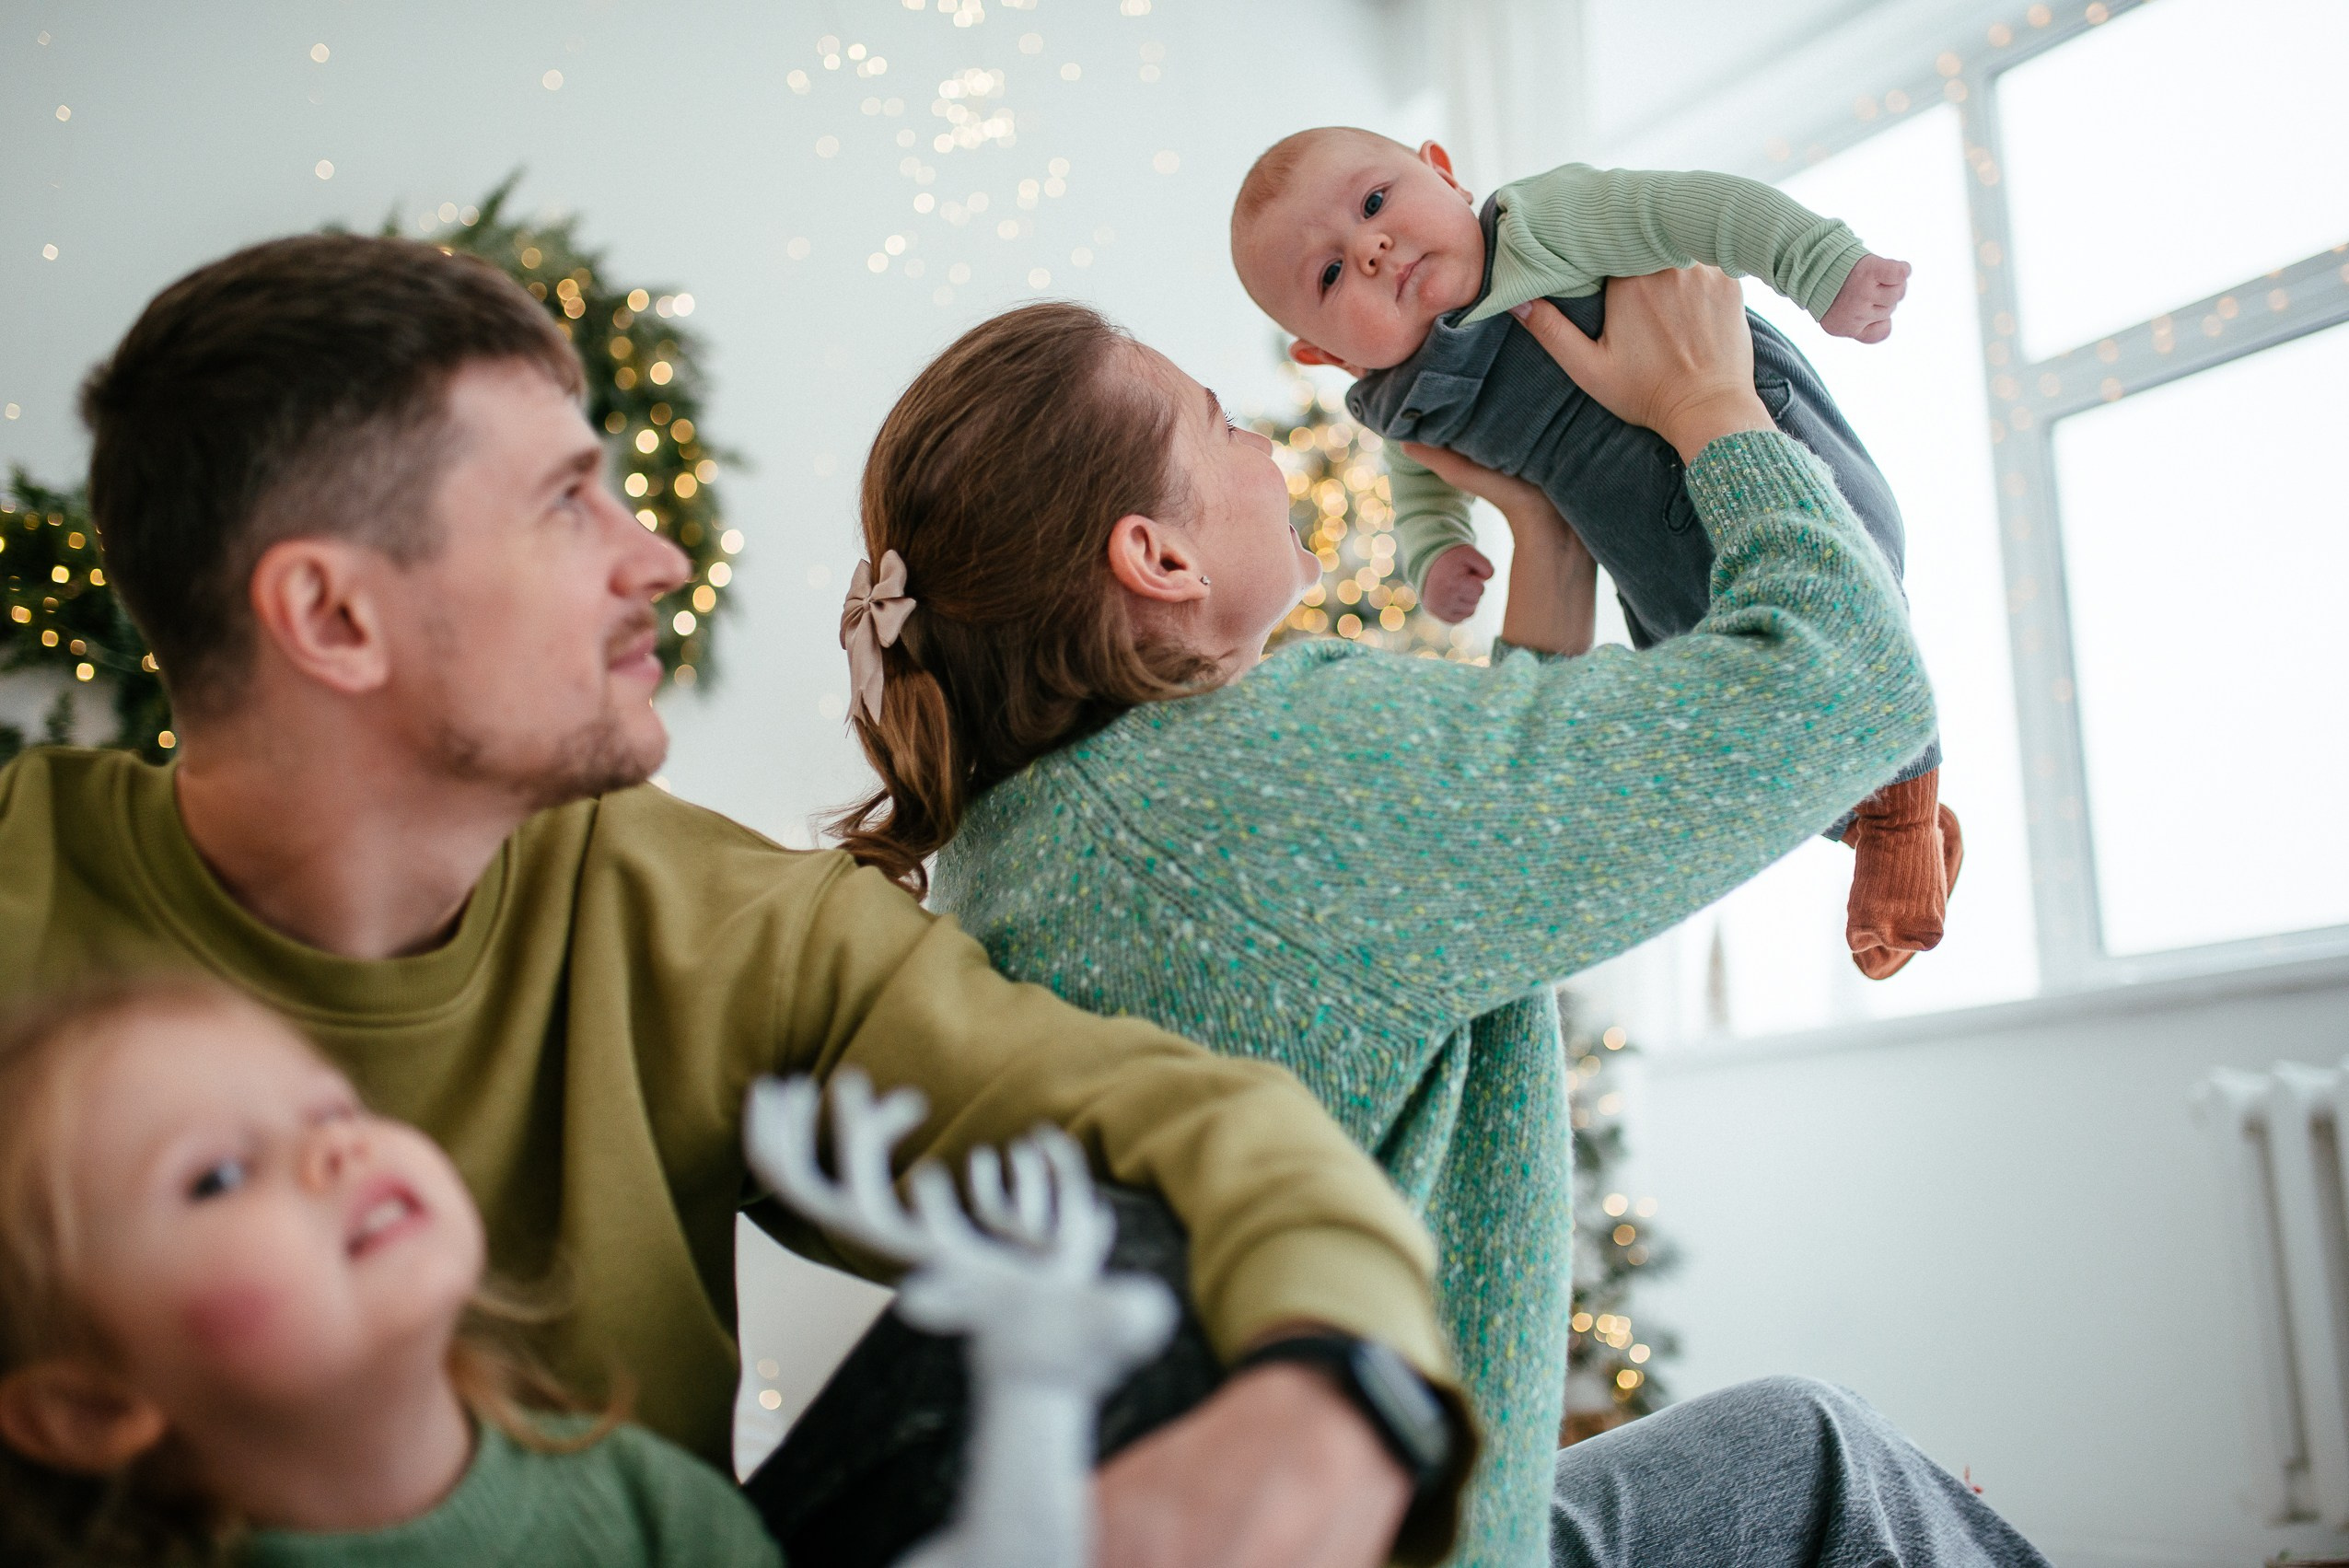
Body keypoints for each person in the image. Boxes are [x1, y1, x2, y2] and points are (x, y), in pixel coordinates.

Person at [0, 232, 1473, 1568]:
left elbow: (1190, 1122)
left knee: (1147, 1264)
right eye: (565, 503)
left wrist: (1339, 1387)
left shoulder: (705, 916)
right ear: (334, 616)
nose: (654, 558)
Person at [826, 265, 2049, 1568]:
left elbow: (1426, 892)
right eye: (1219, 424)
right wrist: (1709, 402)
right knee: (1834, 1471)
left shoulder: (1026, 838)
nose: (1258, 441)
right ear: (1156, 556)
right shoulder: (1252, 779)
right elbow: (1847, 686)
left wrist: (1546, 539)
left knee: (1807, 1449)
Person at [1228, 125, 1957, 978]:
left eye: (1375, 201)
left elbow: (1696, 210)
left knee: (1831, 595)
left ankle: (1903, 827)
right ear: (1324, 355)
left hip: (1745, 421)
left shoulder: (1541, 225)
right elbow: (1423, 494)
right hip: (1639, 546)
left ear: (1446, 175)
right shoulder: (1405, 405)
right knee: (1721, 689)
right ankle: (1871, 823)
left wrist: (1818, 266)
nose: (1371, 248)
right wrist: (1437, 556)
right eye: (1328, 274)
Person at [0, 975, 783, 1566]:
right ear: (88, 1408)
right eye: (220, 1176)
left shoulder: (649, 1504)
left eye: (334, 1110)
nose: (338, 1146)